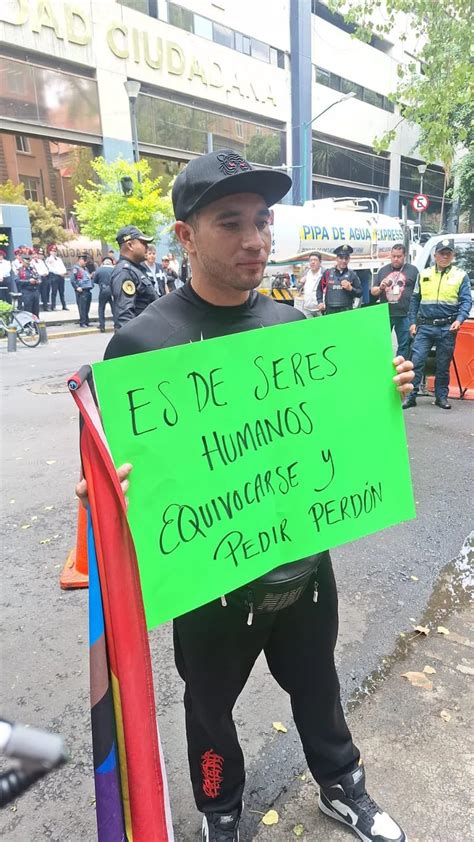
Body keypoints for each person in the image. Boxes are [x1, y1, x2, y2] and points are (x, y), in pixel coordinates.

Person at [77, 150, 413, 842]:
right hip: (210, 590)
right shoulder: (141, 347)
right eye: (230, 223)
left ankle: (341, 785)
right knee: (209, 708)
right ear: (185, 236)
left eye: (261, 221)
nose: (254, 239)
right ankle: (220, 810)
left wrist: (383, 399)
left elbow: (323, 438)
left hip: (303, 569)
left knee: (318, 687)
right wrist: (104, 493)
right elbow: (118, 478)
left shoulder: (294, 329)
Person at [403, 238, 471, 410]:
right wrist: (412, 322)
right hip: (425, 326)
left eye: (448, 253)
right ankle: (411, 396)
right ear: (435, 255)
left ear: (453, 255)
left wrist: (459, 320)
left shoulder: (460, 275)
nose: (445, 256)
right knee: (416, 361)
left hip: (447, 327)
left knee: (442, 364)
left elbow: (466, 301)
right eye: (442, 253)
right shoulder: (424, 274)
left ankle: (442, 397)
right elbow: (414, 300)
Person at [370, 243, 418, 360]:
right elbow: (373, 291)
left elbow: (418, 293)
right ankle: (383, 367)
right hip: (386, 314)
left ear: (404, 256)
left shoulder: (413, 270)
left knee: (404, 345)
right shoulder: (383, 270)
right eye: (393, 256)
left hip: (405, 314)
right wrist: (381, 287)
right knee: (382, 344)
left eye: (399, 256)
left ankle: (398, 371)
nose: (396, 259)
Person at [110, 225, 158, 329]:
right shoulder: (124, 272)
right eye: (143, 243)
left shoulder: (137, 269)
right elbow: (124, 317)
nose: (147, 247)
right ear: (130, 245)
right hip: (142, 338)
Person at [317, 245, 362, 314]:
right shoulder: (328, 273)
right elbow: (319, 289)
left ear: (349, 259)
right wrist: (320, 302)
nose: (343, 261)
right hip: (330, 309)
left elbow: (360, 293)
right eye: (341, 258)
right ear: (336, 258)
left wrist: (351, 289)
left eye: (346, 258)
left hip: (346, 310)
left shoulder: (352, 274)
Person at [71, 253, 93, 328]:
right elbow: (72, 280)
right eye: (84, 261)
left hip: (88, 290)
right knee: (82, 307)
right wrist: (77, 287)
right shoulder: (76, 269)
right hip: (81, 291)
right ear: (80, 260)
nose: (85, 262)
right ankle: (82, 322)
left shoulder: (85, 269)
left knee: (87, 307)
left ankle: (86, 321)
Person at [298, 251, 323, 317]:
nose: (312, 262)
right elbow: (298, 287)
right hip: (307, 309)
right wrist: (301, 282)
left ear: (320, 262)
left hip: (320, 309)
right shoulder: (306, 272)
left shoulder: (324, 273)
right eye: (311, 260)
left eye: (315, 260)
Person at [93, 257, 115, 332]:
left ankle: (102, 325)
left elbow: (94, 280)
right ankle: (116, 324)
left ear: (103, 263)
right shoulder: (115, 269)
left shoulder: (99, 270)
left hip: (103, 290)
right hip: (113, 291)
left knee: (101, 308)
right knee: (114, 308)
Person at [46, 244, 68, 311]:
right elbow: (51, 269)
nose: (54, 252)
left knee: (62, 292)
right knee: (54, 292)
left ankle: (64, 305)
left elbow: (62, 267)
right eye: (52, 250)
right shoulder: (48, 259)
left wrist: (64, 272)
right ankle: (53, 306)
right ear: (49, 251)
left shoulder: (59, 259)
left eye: (55, 250)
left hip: (61, 277)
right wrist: (59, 273)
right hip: (54, 277)